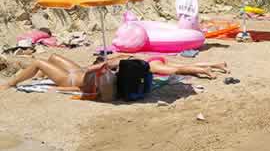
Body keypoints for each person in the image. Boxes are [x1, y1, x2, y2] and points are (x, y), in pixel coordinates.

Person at [1, 54, 228, 92]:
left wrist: (104, 63)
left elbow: (89, 77)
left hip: (71, 78)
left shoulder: (107, 71)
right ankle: (40, 76)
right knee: (51, 57)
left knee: (39, 61)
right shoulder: (118, 66)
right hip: (78, 72)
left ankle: (9, 84)